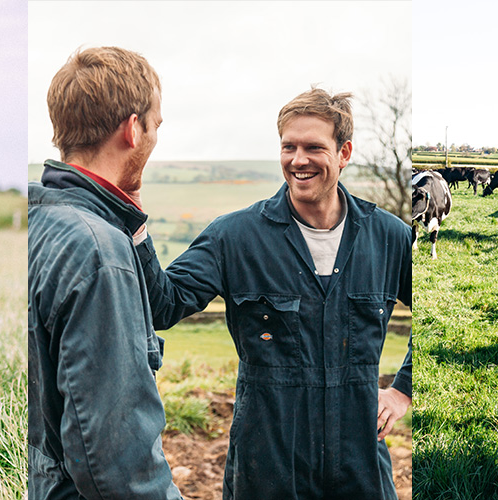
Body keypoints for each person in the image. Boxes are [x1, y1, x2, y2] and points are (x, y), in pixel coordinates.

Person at [150, 88, 414, 499]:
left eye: (313, 147)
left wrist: (402, 390)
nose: (297, 160)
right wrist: (131, 220)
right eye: (288, 146)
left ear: (344, 152)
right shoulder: (235, 236)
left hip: (360, 461)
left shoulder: (388, 236)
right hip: (267, 463)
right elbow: (161, 304)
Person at [26, 46, 184, 500]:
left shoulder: (38, 216)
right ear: (133, 129)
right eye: (154, 126)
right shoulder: (99, 251)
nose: (154, 138)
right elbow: (116, 465)